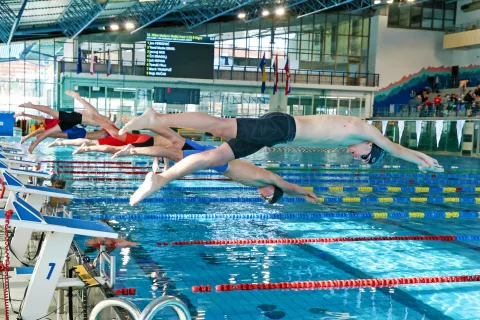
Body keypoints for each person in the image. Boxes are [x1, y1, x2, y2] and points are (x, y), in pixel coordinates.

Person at [118, 108, 444, 205]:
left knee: (215, 155)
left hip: (278, 130)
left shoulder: (352, 133)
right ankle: (155, 121)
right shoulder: (365, 130)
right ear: (370, 149)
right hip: (282, 128)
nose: (357, 158)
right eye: (363, 158)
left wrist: (305, 193)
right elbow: (394, 148)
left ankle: (160, 177)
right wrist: (420, 158)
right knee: (218, 129)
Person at [112, 140, 319, 205]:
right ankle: (155, 178)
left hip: (218, 159)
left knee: (174, 152)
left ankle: (133, 150)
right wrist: (306, 194)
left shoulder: (259, 181)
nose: (264, 197)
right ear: (273, 189)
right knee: (174, 154)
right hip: (221, 162)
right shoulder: (270, 178)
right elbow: (290, 188)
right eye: (269, 197)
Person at [18, 99, 98, 153]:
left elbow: (39, 120)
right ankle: (32, 141)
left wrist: (25, 114)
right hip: (73, 122)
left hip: (73, 123)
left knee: (47, 130)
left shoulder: (50, 122)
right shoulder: (50, 123)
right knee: (46, 130)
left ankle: (33, 141)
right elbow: (39, 122)